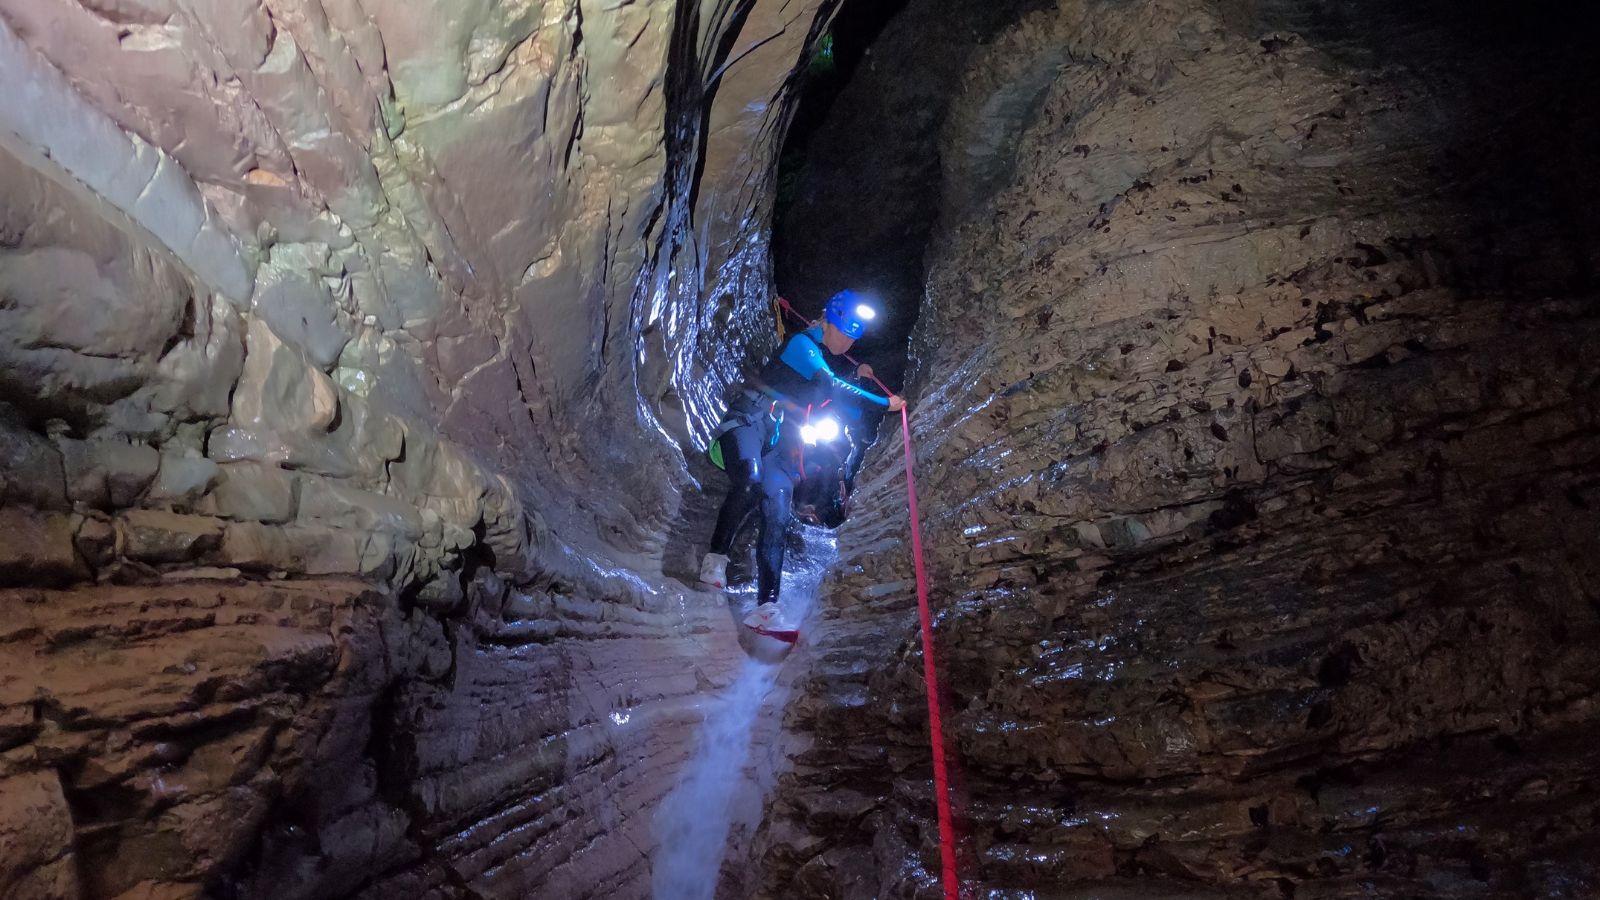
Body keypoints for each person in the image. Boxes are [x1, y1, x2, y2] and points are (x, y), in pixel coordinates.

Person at [699, 291, 905, 604]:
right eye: (844, 335)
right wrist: (885, 403)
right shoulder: (801, 344)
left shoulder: (816, 354)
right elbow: (829, 384)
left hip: (773, 436)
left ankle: (767, 606)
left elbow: (824, 391)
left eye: (853, 339)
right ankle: (715, 560)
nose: (847, 344)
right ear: (828, 323)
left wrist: (857, 378)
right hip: (746, 422)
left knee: (779, 507)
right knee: (751, 479)